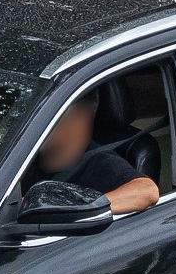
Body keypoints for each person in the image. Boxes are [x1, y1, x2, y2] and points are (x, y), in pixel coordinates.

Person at [27, 89, 159, 216]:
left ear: (78, 119)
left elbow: (148, 191)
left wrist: (76, 208)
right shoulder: (28, 153)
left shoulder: (100, 162)